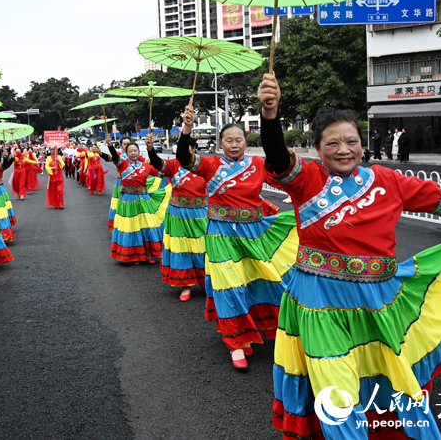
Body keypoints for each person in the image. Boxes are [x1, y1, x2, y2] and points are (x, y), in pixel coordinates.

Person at [258, 73, 441, 440]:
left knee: (387, 381)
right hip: (318, 301)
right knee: (337, 391)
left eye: (351, 142)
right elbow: (278, 156)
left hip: (379, 302)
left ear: (363, 146)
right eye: (332, 143)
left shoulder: (387, 181)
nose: (343, 149)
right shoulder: (307, 180)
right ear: (317, 149)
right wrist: (270, 114)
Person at [177, 107, 298, 369]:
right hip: (220, 234)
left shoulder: (257, 164)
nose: (234, 144)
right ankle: (236, 342)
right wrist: (186, 128)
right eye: (229, 140)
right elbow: (182, 158)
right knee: (229, 286)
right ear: (220, 143)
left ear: (246, 141)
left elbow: (287, 178)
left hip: (254, 234)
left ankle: (261, 327)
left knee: (263, 282)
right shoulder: (209, 164)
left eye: (239, 140)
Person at [149, 136, 207, 302]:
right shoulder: (174, 165)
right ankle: (186, 285)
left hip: (200, 214)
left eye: (187, 148)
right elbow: (156, 163)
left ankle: (206, 282)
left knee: (204, 248)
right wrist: (151, 149)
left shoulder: (205, 165)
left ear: (194, 149)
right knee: (181, 250)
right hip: (178, 214)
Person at [105, 134, 165, 265]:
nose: (133, 153)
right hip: (127, 200)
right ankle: (135, 255)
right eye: (130, 151)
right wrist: (110, 145)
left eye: (135, 151)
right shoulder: (122, 164)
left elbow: (162, 174)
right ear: (126, 153)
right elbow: (114, 157)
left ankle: (148, 254)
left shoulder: (146, 166)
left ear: (139, 152)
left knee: (147, 226)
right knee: (132, 228)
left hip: (144, 200)